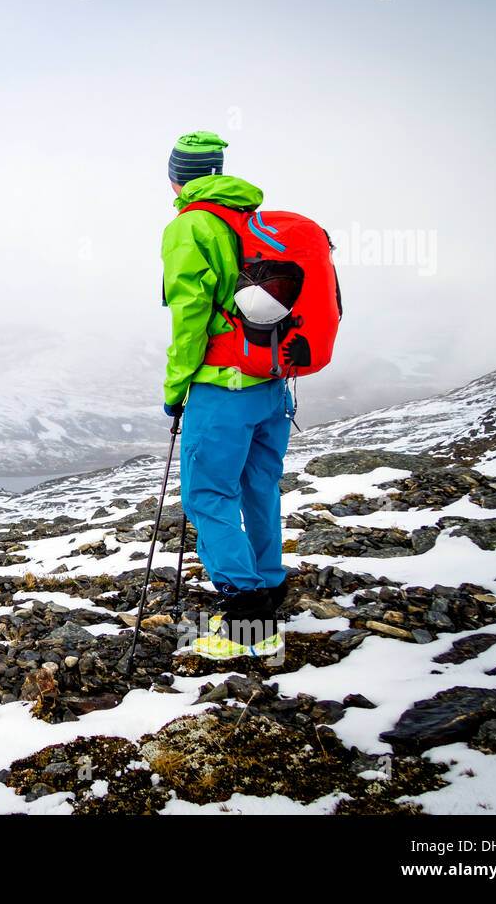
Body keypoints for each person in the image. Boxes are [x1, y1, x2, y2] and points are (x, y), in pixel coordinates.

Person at [160, 131, 293, 660]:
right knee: (259, 486)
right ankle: (268, 584)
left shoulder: (190, 225)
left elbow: (189, 316)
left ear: (177, 176)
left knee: (209, 494)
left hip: (222, 385)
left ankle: (250, 624)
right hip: (272, 382)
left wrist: (175, 388)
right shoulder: (253, 219)